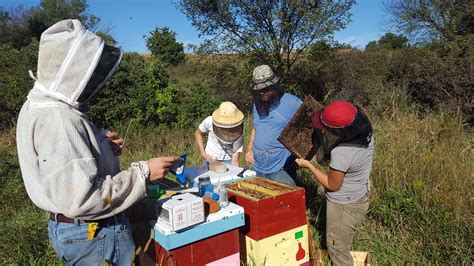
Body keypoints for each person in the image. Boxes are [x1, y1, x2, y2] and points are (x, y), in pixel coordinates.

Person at [16, 19, 180, 265]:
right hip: (93, 233)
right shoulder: (59, 119)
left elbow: (60, 165)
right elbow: (83, 198)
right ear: (71, 69)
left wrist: (98, 145)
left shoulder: (35, 105)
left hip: (78, 232)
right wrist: (143, 173)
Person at [295, 100, 374, 266]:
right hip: (359, 193)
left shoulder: (342, 152)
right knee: (342, 242)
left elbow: (333, 185)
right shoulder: (366, 133)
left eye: (327, 128)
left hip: (344, 206)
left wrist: (309, 166)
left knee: (337, 250)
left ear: (340, 131)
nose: (323, 130)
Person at [245, 65, 302, 185]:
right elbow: (256, 127)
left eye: (265, 89)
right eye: (259, 89)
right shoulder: (257, 104)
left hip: (281, 167)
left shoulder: (292, 102)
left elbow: (310, 124)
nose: (261, 92)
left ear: (274, 86)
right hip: (258, 165)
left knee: (285, 202)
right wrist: (249, 148)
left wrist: (300, 153)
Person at [194, 101, 244, 166]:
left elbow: (235, 161)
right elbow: (198, 133)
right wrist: (203, 153)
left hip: (228, 160)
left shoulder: (238, 133)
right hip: (210, 157)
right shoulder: (209, 121)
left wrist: (235, 172)